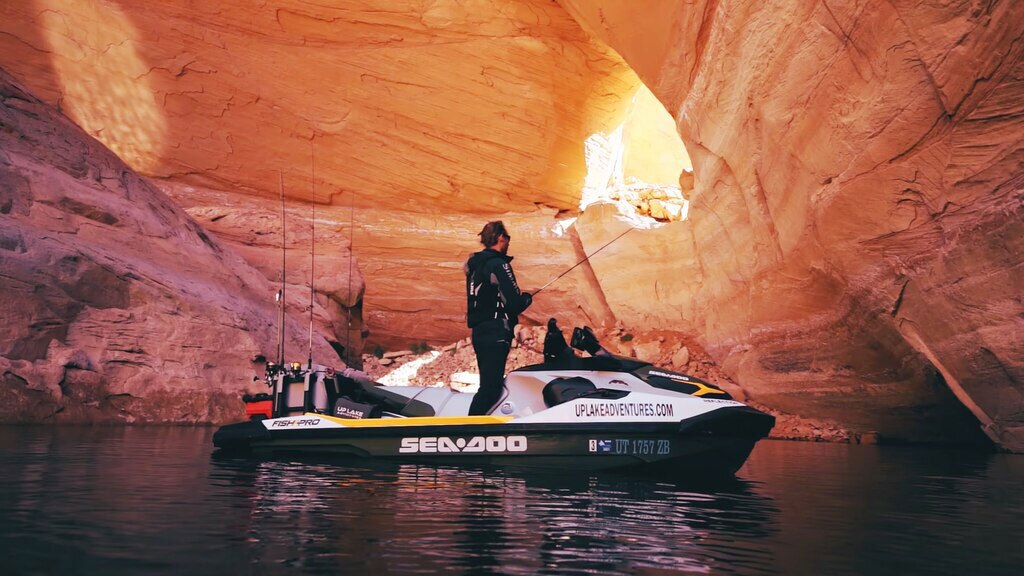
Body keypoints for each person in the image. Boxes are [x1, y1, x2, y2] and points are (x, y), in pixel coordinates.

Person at [464, 221, 532, 415]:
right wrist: (526, 298)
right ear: (500, 238)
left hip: (479, 331)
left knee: (487, 384)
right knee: (491, 387)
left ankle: (476, 427)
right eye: (507, 238)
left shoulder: (474, 265)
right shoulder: (498, 263)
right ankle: (471, 431)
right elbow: (515, 303)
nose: (508, 242)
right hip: (496, 330)